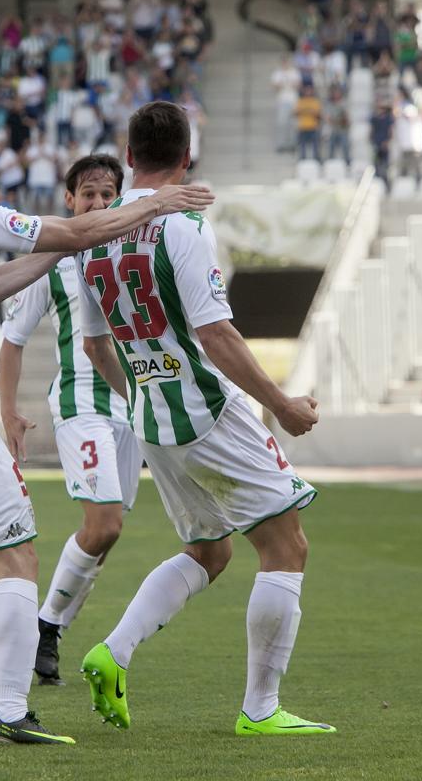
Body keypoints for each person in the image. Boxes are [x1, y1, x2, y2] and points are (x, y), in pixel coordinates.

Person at [0, 119, 211, 745]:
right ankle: (9, 712)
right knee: (18, 557)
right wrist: (157, 200)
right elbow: (80, 228)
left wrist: (61, 251)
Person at [74, 102, 334, 737]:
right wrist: (282, 404)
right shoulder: (183, 227)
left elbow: (95, 344)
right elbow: (215, 334)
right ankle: (260, 710)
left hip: (154, 421)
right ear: (186, 160)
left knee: (210, 549)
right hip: (208, 410)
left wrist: (137, 395)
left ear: (128, 158)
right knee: (285, 546)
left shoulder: (94, 233)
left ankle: (114, 651)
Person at [0, 155, 141, 686]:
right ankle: (48, 630)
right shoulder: (53, 259)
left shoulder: (135, 249)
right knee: (103, 522)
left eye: (108, 195)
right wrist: (9, 411)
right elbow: (12, 341)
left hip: (133, 405)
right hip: (82, 402)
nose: (99, 205)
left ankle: (49, 628)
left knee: (108, 532)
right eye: (88, 195)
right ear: (69, 201)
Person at [295, 83, 322, 161]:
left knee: (316, 145)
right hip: (302, 127)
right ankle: (302, 158)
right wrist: (309, 111)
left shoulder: (315, 101)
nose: (308, 92)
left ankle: (316, 158)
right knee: (301, 145)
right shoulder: (300, 101)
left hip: (313, 126)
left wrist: (305, 111)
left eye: (310, 90)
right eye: (307, 90)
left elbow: (317, 113)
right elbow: (296, 112)